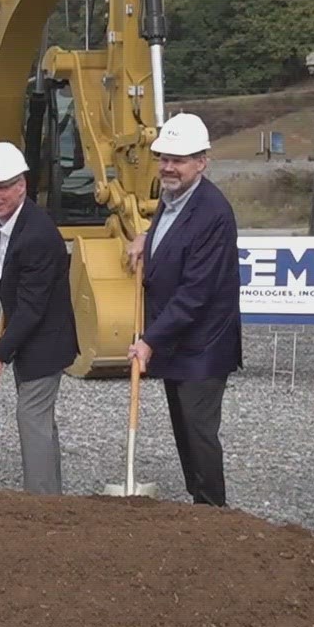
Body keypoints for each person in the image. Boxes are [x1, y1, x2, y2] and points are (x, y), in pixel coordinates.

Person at [127, 113, 243, 506]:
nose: (168, 167)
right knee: (183, 428)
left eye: (179, 160)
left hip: (202, 346)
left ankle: (213, 508)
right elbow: (172, 234)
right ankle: (198, 499)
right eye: (163, 158)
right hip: (178, 343)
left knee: (199, 430)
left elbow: (196, 293)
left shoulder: (213, 213)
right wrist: (146, 237)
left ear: (202, 162)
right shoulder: (172, 197)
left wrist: (148, 341)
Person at [0, 141, 79, 495]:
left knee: (31, 417)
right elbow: (9, 287)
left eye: (2, 186)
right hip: (31, 338)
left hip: (45, 341)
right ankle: (51, 497)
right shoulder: (5, 225)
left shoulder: (36, 234)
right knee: (41, 421)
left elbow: (32, 308)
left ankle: (40, 504)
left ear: (22, 185)